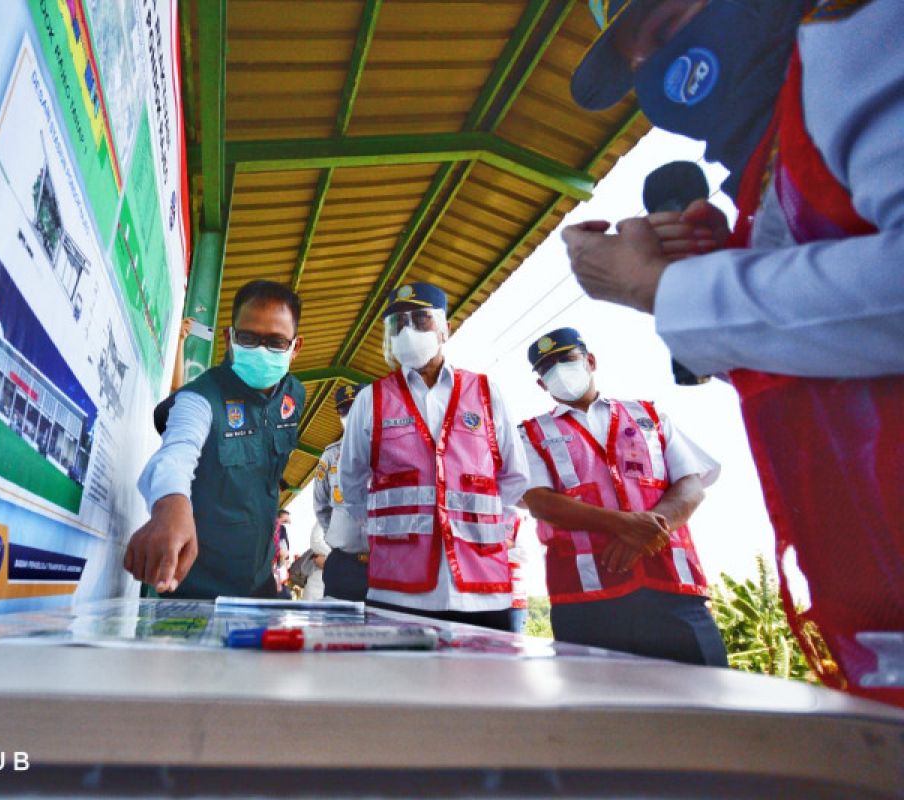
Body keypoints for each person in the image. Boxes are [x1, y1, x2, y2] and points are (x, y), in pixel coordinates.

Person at [561, 0, 903, 701]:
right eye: (636, 60)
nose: (649, 67)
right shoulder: (775, 160)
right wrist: (725, 267)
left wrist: (666, 289)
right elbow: (832, 356)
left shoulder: (866, 30)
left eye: (663, 26)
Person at [519, 328, 727, 665]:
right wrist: (626, 525)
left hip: (673, 587)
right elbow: (540, 502)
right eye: (547, 368)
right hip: (586, 599)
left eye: (566, 358)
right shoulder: (530, 434)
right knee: (601, 711)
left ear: (590, 360)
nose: (558, 370)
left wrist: (642, 535)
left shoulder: (648, 415)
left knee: (706, 702)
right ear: (542, 384)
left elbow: (691, 485)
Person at [339, 282, 529, 631]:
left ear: (445, 329)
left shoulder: (486, 393)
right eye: (397, 325)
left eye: (420, 320)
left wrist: (484, 532)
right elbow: (350, 481)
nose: (408, 331)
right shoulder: (371, 399)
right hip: (398, 588)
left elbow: (515, 476)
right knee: (401, 683)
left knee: (483, 683)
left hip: (481, 587)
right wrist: (382, 529)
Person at [127, 280, 306, 598]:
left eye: (276, 342)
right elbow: (177, 452)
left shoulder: (294, 395)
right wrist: (170, 504)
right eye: (248, 338)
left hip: (259, 585)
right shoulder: (202, 398)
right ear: (229, 338)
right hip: (196, 587)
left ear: (295, 348)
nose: (262, 351)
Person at [308, 384, 368, 601]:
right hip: (344, 566)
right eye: (344, 411)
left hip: (386, 566)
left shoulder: (393, 452)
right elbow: (321, 507)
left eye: (358, 407)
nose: (351, 416)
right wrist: (340, 536)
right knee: (338, 632)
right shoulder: (330, 457)